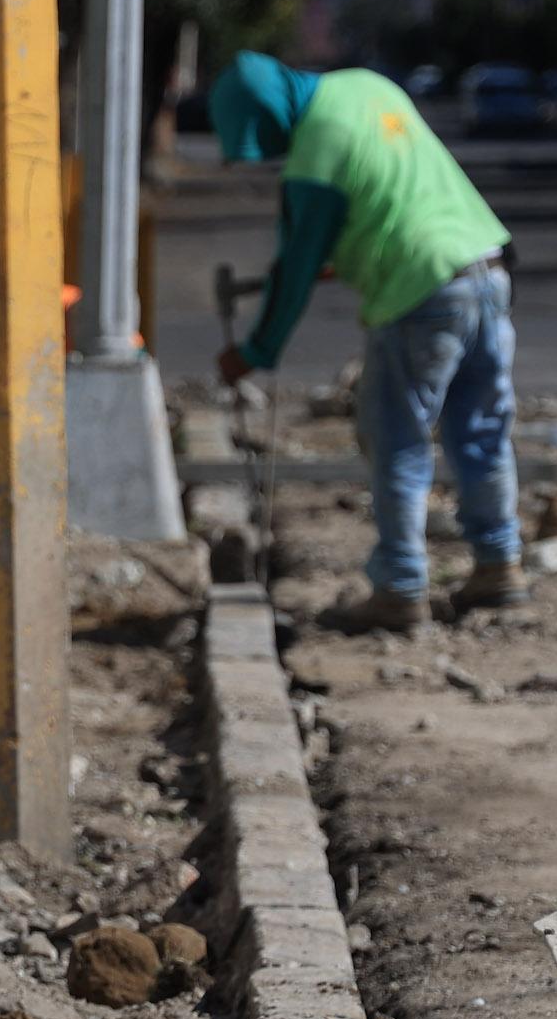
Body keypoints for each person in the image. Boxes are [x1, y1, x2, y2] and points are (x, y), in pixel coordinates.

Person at [210, 52, 522, 631]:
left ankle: (400, 588)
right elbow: (391, 192)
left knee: (397, 437)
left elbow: (297, 264)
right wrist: (352, 253)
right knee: (480, 430)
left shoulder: (315, 147)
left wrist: (254, 352)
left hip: (419, 290)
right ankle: (498, 564)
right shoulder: (367, 86)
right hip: (484, 267)